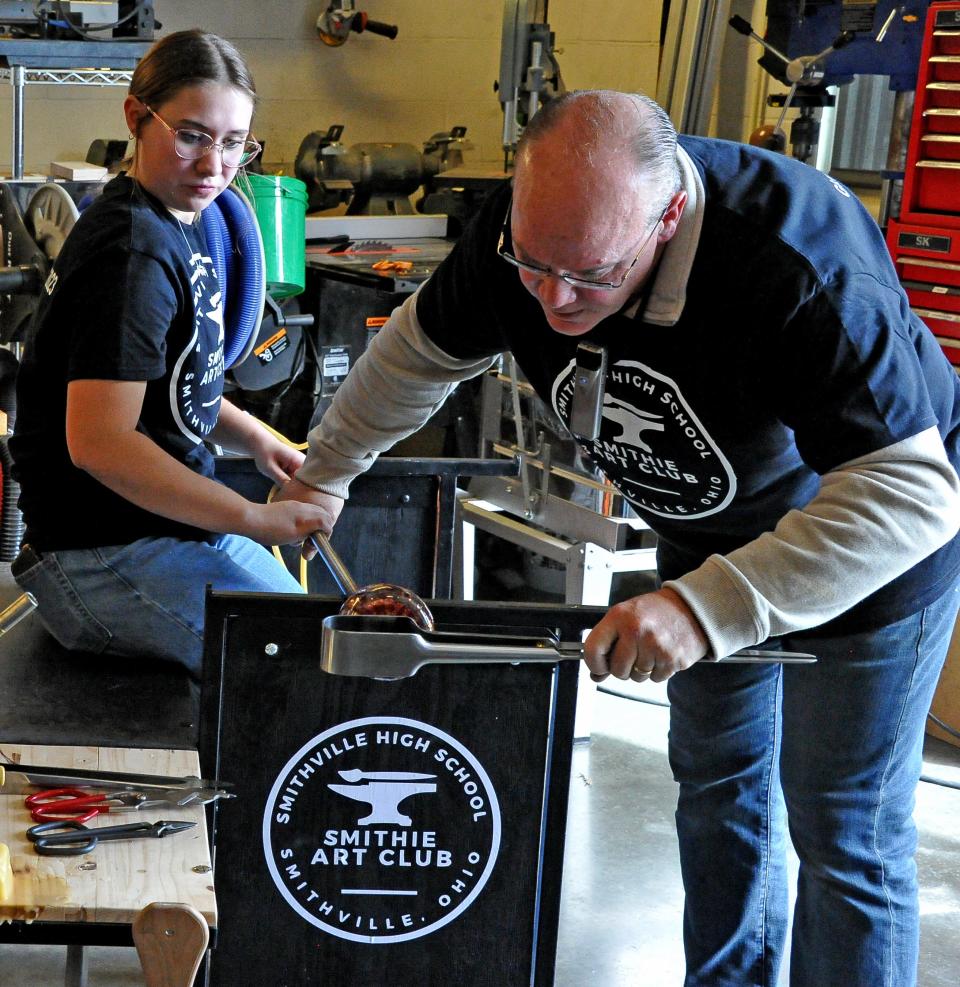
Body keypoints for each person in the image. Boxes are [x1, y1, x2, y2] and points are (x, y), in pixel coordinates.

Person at [275, 90, 960, 985]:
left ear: (669, 217)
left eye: (592, 275)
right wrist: (328, 468)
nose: (556, 299)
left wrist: (704, 608)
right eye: (535, 264)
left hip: (861, 540)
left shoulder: (800, 262)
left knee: (843, 826)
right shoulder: (525, 233)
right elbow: (420, 350)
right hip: (704, 529)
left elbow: (909, 493)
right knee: (719, 792)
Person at [9, 30, 328, 677]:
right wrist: (249, 516)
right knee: (297, 664)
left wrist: (259, 440)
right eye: (191, 135)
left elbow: (173, 386)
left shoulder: (178, 220)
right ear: (136, 117)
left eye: (235, 143)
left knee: (321, 634)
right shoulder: (131, 254)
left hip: (159, 533)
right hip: (96, 559)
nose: (214, 164)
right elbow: (99, 442)